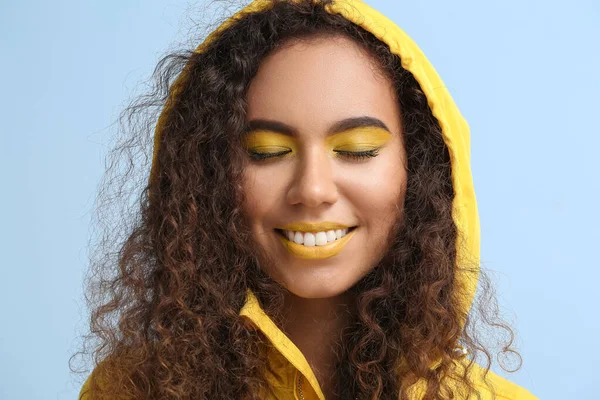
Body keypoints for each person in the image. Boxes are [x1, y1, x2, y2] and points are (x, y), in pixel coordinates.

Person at [75, 0, 538, 398]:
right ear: (207, 174)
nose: (313, 190)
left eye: (356, 151)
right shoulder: (126, 391)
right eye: (267, 153)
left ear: (417, 171)